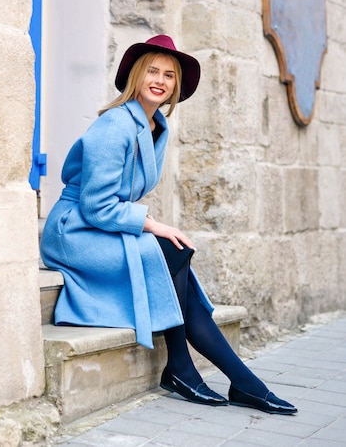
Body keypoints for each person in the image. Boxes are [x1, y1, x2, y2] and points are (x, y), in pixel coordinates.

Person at [40, 34, 297, 415]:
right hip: (74, 231)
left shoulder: (155, 126)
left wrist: (151, 226)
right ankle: (215, 375)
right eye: (152, 71)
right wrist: (152, 224)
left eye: (170, 75)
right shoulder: (116, 126)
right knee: (166, 247)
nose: (160, 80)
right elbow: (95, 206)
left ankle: (203, 372)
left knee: (174, 251)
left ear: (176, 86)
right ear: (136, 76)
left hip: (100, 226)